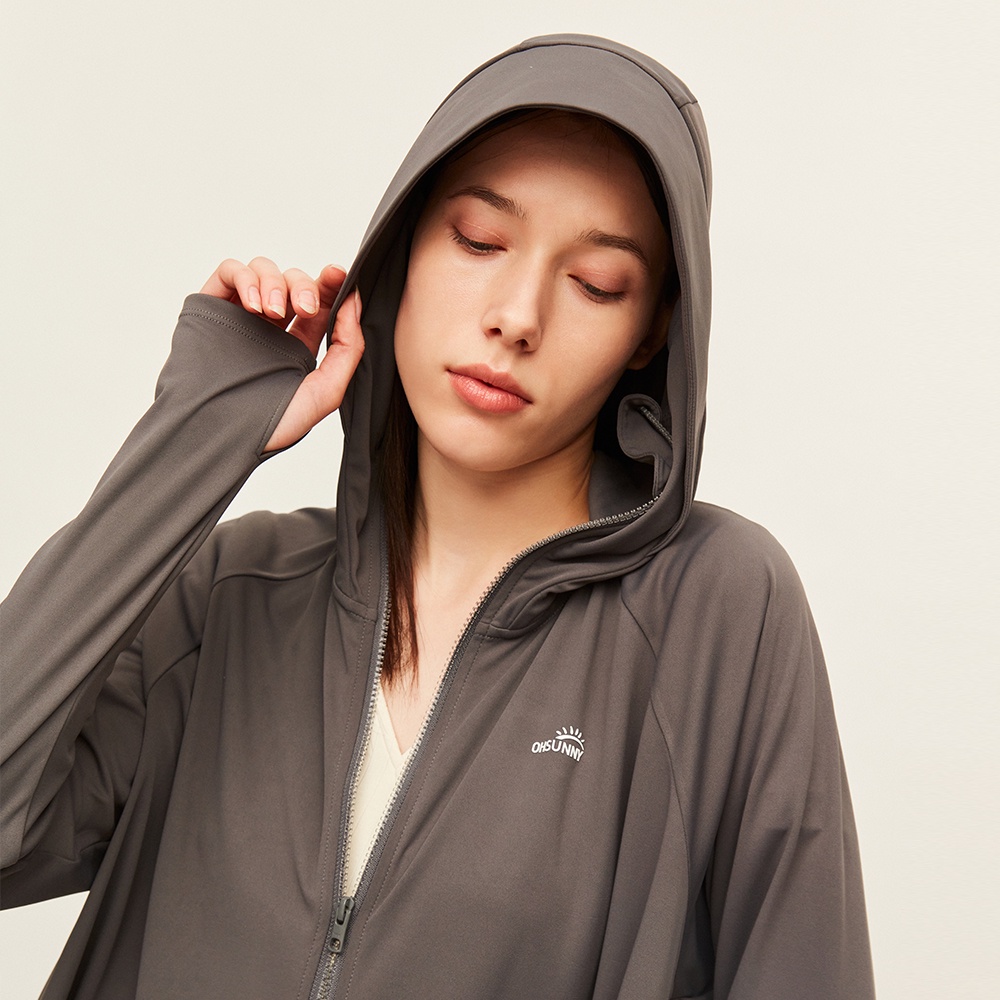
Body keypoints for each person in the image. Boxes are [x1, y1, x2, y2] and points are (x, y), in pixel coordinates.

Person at [0, 33, 875, 999]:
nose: (518, 316)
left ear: (651, 330)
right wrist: (193, 440)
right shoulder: (234, 594)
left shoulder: (717, 613)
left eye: (596, 283)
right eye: (479, 241)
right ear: (402, 251)